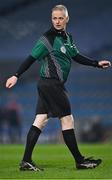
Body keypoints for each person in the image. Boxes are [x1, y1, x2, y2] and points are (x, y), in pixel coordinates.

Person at [6, 5, 111, 171]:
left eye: (61, 18)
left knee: (40, 120)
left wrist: (96, 63)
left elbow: (76, 56)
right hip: (51, 84)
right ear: (51, 19)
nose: (57, 21)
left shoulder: (67, 37)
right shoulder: (48, 38)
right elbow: (31, 58)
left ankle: (26, 161)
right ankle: (80, 161)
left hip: (48, 84)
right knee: (67, 119)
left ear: (66, 19)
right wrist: (16, 75)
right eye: (54, 18)